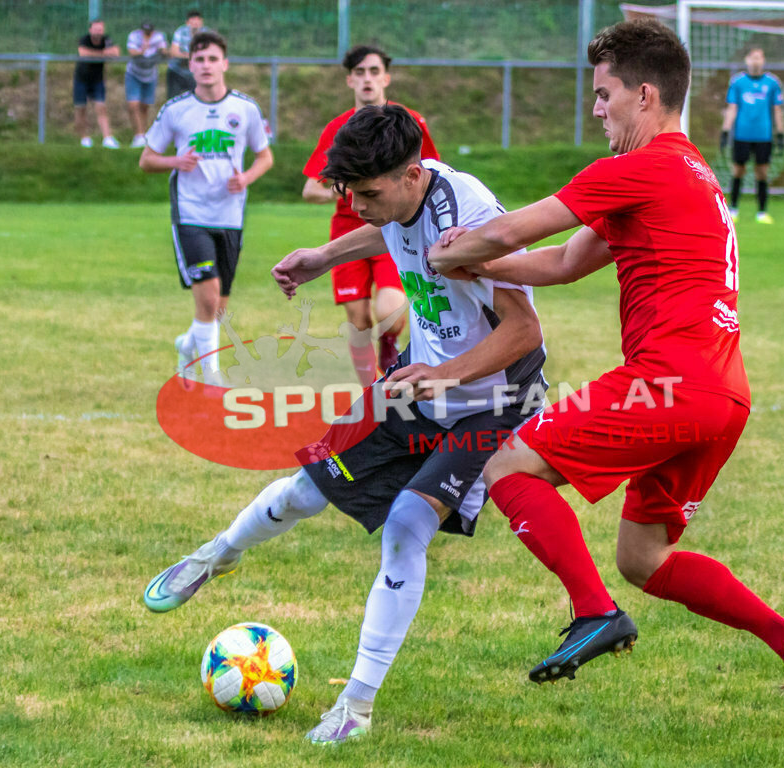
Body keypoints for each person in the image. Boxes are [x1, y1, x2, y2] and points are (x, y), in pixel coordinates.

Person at [428, 18, 784, 726]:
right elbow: (558, 265)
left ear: (644, 95)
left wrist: (451, 251)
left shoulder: (640, 168)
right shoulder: (691, 174)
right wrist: (479, 265)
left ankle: (595, 615)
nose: (597, 109)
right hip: (723, 393)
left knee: (505, 468)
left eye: (603, 94)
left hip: (670, 380)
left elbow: (513, 231)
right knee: (643, 558)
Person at [143, 104, 547, 744]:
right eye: (348, 194)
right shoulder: (401, 197)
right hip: (423, 379)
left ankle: (355, 707)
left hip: (491, 399)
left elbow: (525, 333)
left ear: (413, 175)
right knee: (308, 486)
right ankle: (213, 557)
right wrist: (323, 256)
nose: (357, 205)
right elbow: (384, 229)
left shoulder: (469, 218)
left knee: (407, 526)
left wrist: (446, 375)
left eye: (367, 193)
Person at [138, 31, 274, 382]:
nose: (206, 65)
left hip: (230, 215)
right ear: (191, 66)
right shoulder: (177, 110)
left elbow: (265, 156)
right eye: (199, 59)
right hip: (191, 214)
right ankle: (210, 375)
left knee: (218, 305)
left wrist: (245, 178)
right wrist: (175, 161)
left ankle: (187, 343)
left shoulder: (245, 109)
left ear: (224, 64)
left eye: (212, 59)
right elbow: (146, 159)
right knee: (209, 298)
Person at [303, 45, 439, 386]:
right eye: (360, 72)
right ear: (350, 79)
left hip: (395, 226)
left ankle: (390, 346)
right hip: (348, 230)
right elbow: (311, 189)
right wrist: (354, 191)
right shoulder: (338, 128)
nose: (367, 79)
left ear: (386, 78)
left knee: (389, 312)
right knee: (358, 319)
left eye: (374, 71)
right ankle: (369, 393)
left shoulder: (409, 122)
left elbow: (430, 172)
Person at [720, 46, 784, 224]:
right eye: (753, 58)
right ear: (747, 60)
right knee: (738, 170)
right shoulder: (738, 82)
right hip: (742, 134)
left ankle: (762, 212)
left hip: (763, 135)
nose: (756, 61)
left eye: (759, 58)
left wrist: (780, 133)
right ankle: (733, 209)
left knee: (762, 173)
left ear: (763, 61)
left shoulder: (772, 83)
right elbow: (732, 107)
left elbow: (777, 109)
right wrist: (725, 130)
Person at [73, 19, 121, 149]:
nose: (98, 32)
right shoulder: (84, 39)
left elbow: (116, 52)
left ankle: (107, 138)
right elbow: (83, 53)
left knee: (101, 108)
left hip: (97, 80)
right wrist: (103, 54)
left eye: (100, 29)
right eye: (96, 29)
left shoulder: (106, 40)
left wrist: (97, 54)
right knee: (81, 109)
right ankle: (84, 138)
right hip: (81, 79)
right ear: (90, 30)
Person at [125, 20, 168, 148]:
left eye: (149, 32)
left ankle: (143, 135)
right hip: (134, 74)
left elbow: (164, 51)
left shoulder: (159, 37)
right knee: (133, 105)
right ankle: (138, 135)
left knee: (145, 106)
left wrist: (163, 51)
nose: (147, 34)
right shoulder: (134, 36)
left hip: (150, 75)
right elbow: (132, 51)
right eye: (145, 32)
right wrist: (143, 49)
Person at [167, 9, 207, 99]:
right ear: (187, 22)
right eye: (193, 20)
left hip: (196, 73)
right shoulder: (180, 31)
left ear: (201, 22)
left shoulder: (207, 33)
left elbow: (208, 53)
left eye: (198, 20)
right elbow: (173, 52)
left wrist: (185, 55)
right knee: (174, 100)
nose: (195, 23)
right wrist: (193, 56)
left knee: (197, 100)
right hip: (177, 70)